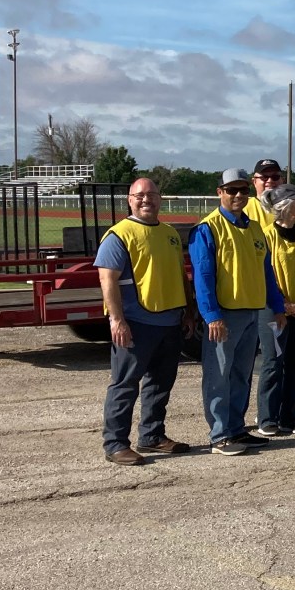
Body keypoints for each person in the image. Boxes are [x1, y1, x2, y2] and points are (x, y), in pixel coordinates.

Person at [96, 177, 195, 465]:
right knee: (125, 384)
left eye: (151, 194)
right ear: (129, 200)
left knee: (161, 383)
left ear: (160, 199)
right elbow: (107, 280)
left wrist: (189, 311)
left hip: (169, 322)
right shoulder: (118, 235)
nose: (146, 199)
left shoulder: (170, 233)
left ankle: (152, 435)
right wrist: (117, 320)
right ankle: (115, 443)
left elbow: (180, 275)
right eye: (139, 195)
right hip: (136, 323)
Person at [190, 169, 285, 454]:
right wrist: (212, 316)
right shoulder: (207, 228)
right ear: (220, 192)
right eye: (232, 190)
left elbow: (267, 272)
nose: (239, 195)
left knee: (241, 375)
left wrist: (277, 306)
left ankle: (236, 429)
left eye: (243, 190)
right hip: (225, 315)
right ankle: (219, 435)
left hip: (252, 313)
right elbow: (203, 277)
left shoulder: (255, 228)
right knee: (218, 376)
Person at [259, 184, 295, 437]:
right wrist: (282, 305)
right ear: (284, 207)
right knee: (273, 363)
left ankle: (290, 416)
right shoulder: (266, 236)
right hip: (276, 311)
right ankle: (267, 417)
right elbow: (262, 277)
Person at [246, 157, 285, 430]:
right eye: (264, 177)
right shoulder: (246, 209)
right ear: (255, 181)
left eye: (275, 176)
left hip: (287, 297)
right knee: (256, 361)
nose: (270, 181)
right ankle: (259, 418)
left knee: (283, 360)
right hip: (257, 297)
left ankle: (281, 414)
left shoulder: (288, 208)